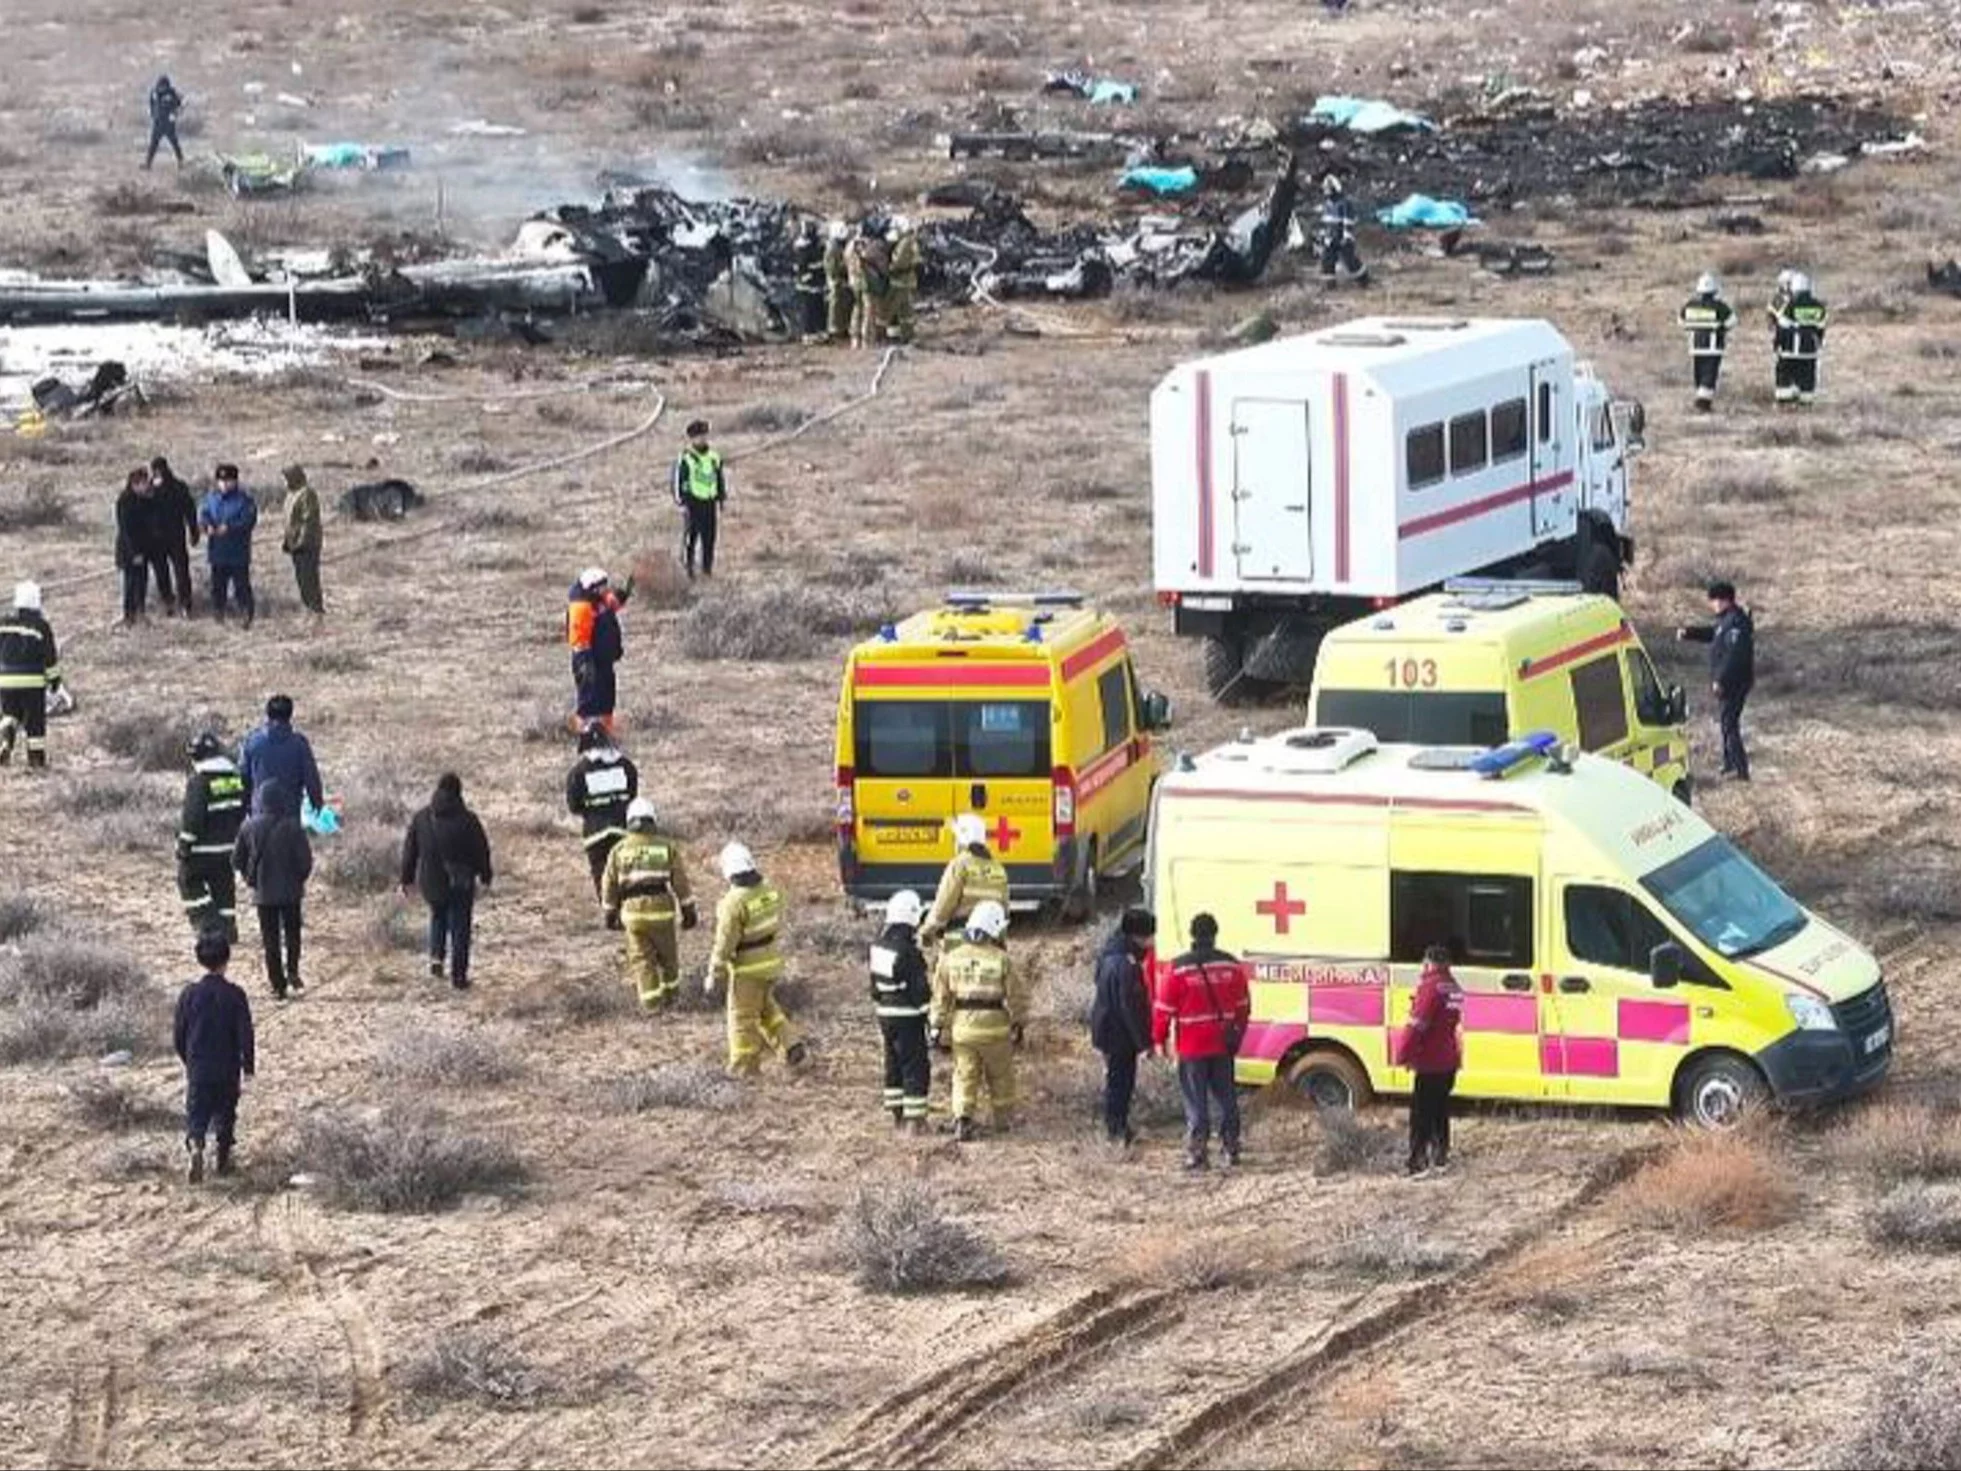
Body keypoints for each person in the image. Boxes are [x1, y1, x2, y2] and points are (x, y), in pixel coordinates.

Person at [1153, 913, 1251, 1171]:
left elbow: (1163, 1010)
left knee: (1196, 1101)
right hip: (1223, 1044)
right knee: (1226, 1098)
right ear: (1215, 933)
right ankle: (1231, 1149)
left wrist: (1159, 1040)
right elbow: (1243, 1006)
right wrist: (1237, 1034)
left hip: (1192, 1047)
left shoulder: (1178, 968)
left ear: (1192, 934)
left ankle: (1198, 1154)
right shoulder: (1232, 966)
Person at [706, 842, 805, 1076]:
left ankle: (744, 1066)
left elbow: (724, 944)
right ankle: (790, 1044)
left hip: (747, 969)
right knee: (765, 1007)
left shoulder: (733, 903)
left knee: (741, 1016)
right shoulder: (770, 891)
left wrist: (714, 974)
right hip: (771, 962)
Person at [929, 900, 1025, 1142]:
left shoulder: (951, 958)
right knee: (1000, 1076)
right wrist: (1019, 1022)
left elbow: (940, 997)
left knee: (964, 1075)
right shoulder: (1002, 959)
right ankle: (1003, 1121)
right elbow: (1016, 996)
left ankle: (962, 1119)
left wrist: (936, 1026)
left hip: (962, 1029)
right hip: (995, 1028)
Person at [600, 796, 698, 1011]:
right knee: (668, 959)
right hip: (662, 912)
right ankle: (673, 1000)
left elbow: (608, 883)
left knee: (643, 961)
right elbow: (680, 881)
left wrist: (609, 912)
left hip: (633, 914)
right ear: (652, 819)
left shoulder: (619, 850)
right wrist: (688, 909)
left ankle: (652, 1006)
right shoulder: (666, 847)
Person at [173, 929, 254, 1184]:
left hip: (199, 1064)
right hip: (227, 1066)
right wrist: (248, 1065)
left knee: (197, 1110)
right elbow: (245, 1033)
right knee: (226, 1112)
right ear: (226, 959)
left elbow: (179, 1032)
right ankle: (223, 1157)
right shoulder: (235, 994)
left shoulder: (189, 994)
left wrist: (188, 1058)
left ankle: (197, 1143)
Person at [401, 772, 494, 991]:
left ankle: (436, 957)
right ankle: (458, 977)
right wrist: (485, 875)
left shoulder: (422, 818)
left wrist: (406, 879)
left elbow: (410, 851)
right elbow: (481, 851)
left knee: (437, 914)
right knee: (460, 928)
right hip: (460, 882)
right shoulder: (469, 820)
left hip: (430, 880)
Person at [232, 778, 313, 999]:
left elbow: (236, 859)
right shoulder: (293, 827)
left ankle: (277, 985)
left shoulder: (248, 827)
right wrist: (299, 880)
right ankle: (293, 970)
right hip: (291, 892)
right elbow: (306, 862)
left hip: (264, 893)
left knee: (270, 940)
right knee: (293, 933)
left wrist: (251, 879)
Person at [1678, 580, 1756, 783]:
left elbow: (1734, 656)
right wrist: (1690, 633)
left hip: (1735, 683)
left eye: (1715, 600)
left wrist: (1721, 679)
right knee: (1726, 723)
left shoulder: (1736, 623)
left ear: (1724, 600)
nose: (1713, 604)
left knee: (1730, 724)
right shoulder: (1726, 621)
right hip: (1729, 683)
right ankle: (1730, 764)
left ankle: (1741, 770)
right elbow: (1714, 634)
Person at [1091, 907, 1156, 1146]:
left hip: (1106, 1029)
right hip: (1120, 1034)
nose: (1151, 943)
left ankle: (1116, 1127)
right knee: (1121, 1083)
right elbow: (1130, 1007)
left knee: (1115, 1081)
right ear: (1137, 936)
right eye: (1149, 937)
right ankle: (1117, 1131)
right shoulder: (1126, 964)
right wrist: (1144, 1042)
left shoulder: (1107, 954)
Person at [871, 889, 932, 1130]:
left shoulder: (878, 946)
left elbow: (874, 988)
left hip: (885, 1015)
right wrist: (932, 1019)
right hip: (908, 1017)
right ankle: (915, 1121)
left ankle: (897, 1115)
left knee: (892, 1062)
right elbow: (920, 992)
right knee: (914, 1065)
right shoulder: (910, 952)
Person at [1400, 945, 1464, 1176]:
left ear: (1428, 962)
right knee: (1440, 1110)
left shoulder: (1431, 987)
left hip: (1430, 1060)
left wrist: (1403, 1054)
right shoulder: (1454, 987)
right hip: (1449, 1059)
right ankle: (1440, 1156)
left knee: (1421, 1114)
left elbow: (1417, 1024)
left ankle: (1417, 1162)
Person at [178, 731, 247, 942]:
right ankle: (229, 928)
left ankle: (209, 925)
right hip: (229, 848)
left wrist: (184, 845)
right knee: (224, 886)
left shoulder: (199, 782)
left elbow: (193, 817)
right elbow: (242, 810)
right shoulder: (236, 778)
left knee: (189, 882)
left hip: (201, 850)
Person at [566, 721, 639, 894]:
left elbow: (573, 805)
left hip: (595, 835)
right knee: (626, 877)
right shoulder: (626, 766)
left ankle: (610, 916)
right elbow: (632, 795)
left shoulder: (579, 771)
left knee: (602, 879)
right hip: (624, 832)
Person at [921, 813, 1010, 948]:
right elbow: (1004, 910)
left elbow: (944, 904)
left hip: (959, 936)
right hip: (990, 940)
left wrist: (927, 932)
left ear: (963, 838)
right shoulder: (999, 868)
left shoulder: (960, 864)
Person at [0, 582, 61, 770]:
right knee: (34, 722)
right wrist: (54, 680)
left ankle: (5, 740)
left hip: (5, 679)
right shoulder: (41, 626)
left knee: (10, 713)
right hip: (32, 681)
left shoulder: (3, 622)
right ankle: (36, 762)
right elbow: (50, 656)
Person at [566, 567, 632, 735]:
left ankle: (605, 734)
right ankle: (585, 735)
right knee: (588, 702)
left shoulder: (598, 599)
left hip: (604, 660)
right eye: (602, 586)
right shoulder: (581, 608)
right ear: (593, 588)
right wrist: (584, 664)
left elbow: (610, 605)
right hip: (589, 661)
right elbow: (579, 640)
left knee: (606, 699)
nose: (606, 589)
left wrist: (622, 596)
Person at [238, 694, 324, 819]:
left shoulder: (252, 741)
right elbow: (311, 777)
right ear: (290, 715)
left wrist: (246, 805)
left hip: (260, 814)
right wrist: (317, 802)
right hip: (289, 815)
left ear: (268, 715)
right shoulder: (299, 744)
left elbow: (243, 777)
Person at [198, 463, 257, 628]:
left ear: (235, 481)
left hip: (237, 552)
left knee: (241, 586)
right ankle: (218, 613)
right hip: (217, 552)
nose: (224, 484)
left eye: (228, 481)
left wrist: (230, 527)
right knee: (218, 586)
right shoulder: (211, 498)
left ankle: (246, 614)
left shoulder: (244, 500)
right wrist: (206, 525)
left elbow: (248, 521)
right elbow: (204, 514)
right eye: (221, 481)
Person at [672, 421, 726, 580]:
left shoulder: (713, 456)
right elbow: (678, 481)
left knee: (710, 538)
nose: (702, 439)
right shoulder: (686, 458)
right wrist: (681, 502)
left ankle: (707, 569)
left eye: (704, 435)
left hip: (709, 502)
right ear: (691, 438)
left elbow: (719, 478)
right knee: (691, 537)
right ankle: (688, 568)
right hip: (693, 503)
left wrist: (721, 497)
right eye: (698, 436)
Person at [114, 467, 165, 627]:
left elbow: (154, 514)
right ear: (134, 484)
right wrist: (134, 552)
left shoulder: (146, 499)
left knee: (142, 581)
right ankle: (129, 614)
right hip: (129, 550)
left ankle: (141, 611)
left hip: (144, 548)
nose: (145, 486)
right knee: (130, 583)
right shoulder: (125, 501)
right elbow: (125, 530)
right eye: (142, 484)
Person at [150, 455, 200, 616]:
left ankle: (185, 604)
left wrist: (194, 531)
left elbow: (189, 510)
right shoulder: (150, 489)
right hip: (156, 539)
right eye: (156, 471)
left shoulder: (178, 487)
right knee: (161, 572)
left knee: (181, 572)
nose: (158, 473)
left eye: (160, 470)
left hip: (176, 536)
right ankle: (168, 602)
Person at [1679, 272, 1736, 412]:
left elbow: (1681, 322)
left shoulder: (1690, 305)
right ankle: (1703, 403)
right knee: (1709, 374)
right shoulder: (1719, 307)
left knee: (1699, 372)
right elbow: (1732, 321)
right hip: (1713, 347)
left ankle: (1701, 397)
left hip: (1696, 346)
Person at [1772, 273, 1829, 407]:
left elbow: (1782, 327)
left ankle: (1785, 403)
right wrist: (1818, 343)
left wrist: (1777, 344)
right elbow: (1821, 328)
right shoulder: (1819, 307)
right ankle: (1806, 402)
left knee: (1784, 375)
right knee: (1807, 377)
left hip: (1789, 351)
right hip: (1809, 351)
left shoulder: (1790, 305)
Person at [279, 464, 324, 618]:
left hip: (308, 545)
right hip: (296, 544)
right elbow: (290, 521)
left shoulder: (306, 494)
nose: (285, 481)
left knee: (309, 578)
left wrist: (301, 541)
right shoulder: (292, 494)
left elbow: (308, 520)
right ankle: (309, 608)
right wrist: (288, 541)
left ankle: (316, 610)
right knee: (301, 579)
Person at [1317, 175, 1369, 286]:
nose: (1327, 192)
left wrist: (1347, 236)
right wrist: (1323, 235)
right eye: (1325, 189)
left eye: (1329, 189)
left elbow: (1348, 221)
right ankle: (1329, 284)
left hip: (1342, 238)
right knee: (1327, 261)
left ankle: (1363, 280)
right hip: (1330, 239)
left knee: (1350, 261)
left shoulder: (1344, 203)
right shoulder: (1327, 204)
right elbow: (1325, 222)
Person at [847, 220, 889, 349]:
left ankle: (855, 339)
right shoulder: (873, 246)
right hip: (868, 283)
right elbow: (882, 266)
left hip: (854, 282)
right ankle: (867, 340)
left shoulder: (850, 245)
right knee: (869, 312)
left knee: (856, 309)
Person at [886, 216, 921, 343]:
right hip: (907, 280)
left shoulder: (905, 243)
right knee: (905, 310)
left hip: (901, 281)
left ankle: (902, 335)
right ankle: (905, 334)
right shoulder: (910, 240)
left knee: (895, 308)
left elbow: (898, 262)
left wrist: (886, 269)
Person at [792, 219, 828, 340]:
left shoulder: (812, 246)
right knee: (808, 309)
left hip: (815, 283)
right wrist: (812, 274)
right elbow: (804, 267)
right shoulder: (804, 248)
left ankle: (819, 331)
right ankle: (808, 333)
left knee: (818, 307)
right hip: (808, 284)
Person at [145, 75, 185, 170]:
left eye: (163, 86)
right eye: (160, 86)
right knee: (153, 145)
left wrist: (175, 114)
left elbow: (180, 105)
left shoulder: (172, 93)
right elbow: (151, 104)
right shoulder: (154, 93)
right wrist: (152, 113)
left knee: (175, 144)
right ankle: (148, 164)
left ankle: (181, 162)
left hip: (168, 124)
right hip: (158, 123)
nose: (161, 88)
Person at [823, 221, 854, 343]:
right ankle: (834, 330)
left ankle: (842, 327)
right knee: (835, 306)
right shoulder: (832, 248)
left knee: (844, 305)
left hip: (841, 280)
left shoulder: (839, 246)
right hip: (836, 281)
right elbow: (832, 267)